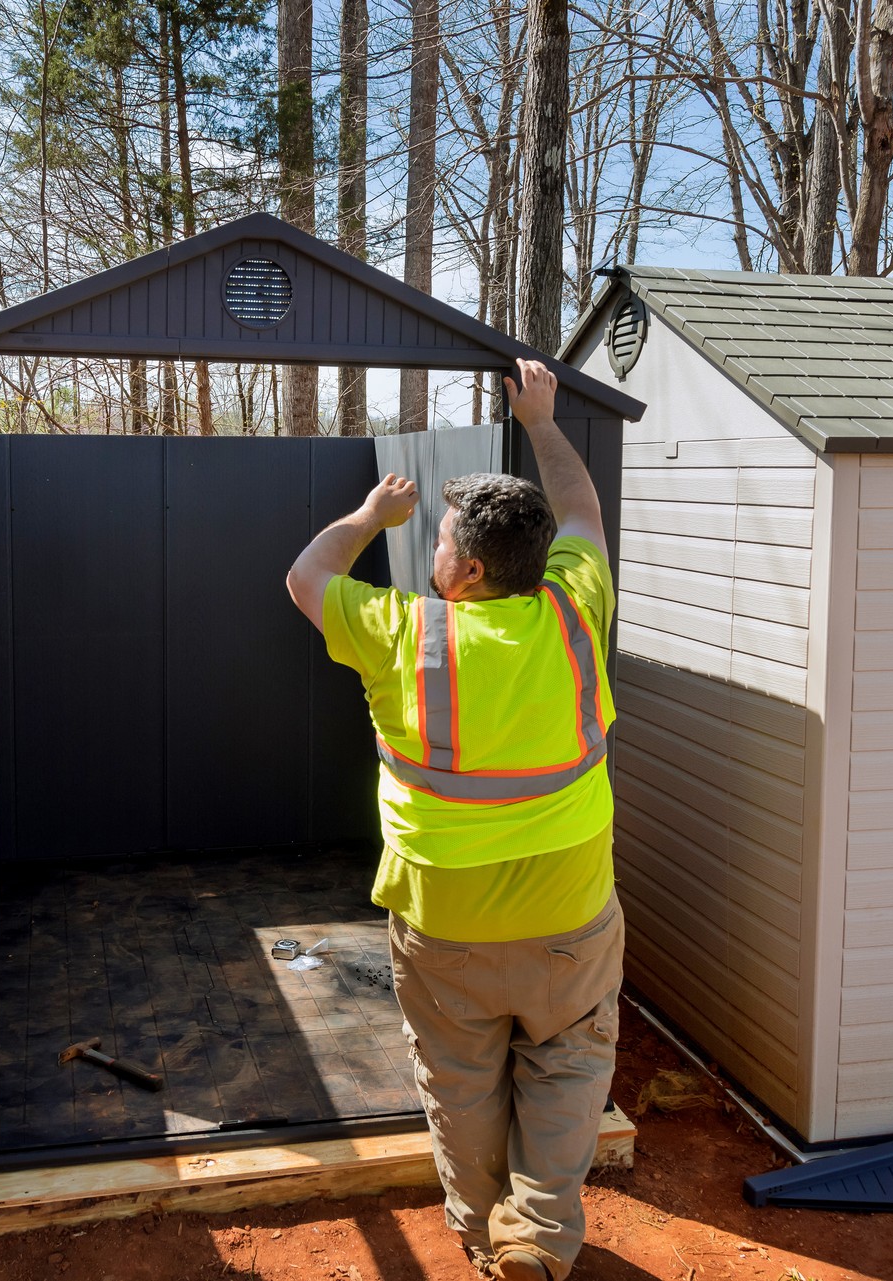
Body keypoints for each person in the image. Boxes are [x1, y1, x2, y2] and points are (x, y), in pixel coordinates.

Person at [285, 358, 622, 1281]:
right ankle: (540, 1244)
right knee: (567, 1079)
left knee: (463, 1089)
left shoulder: (404, 634)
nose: (427, 547)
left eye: (435, 538)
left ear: (466, 571)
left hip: (446, 930)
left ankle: (484, 1243)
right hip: (570, 922)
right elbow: (584, 513)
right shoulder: (575, 613)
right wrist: (541, 420)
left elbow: (305, 574)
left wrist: (368, 517)